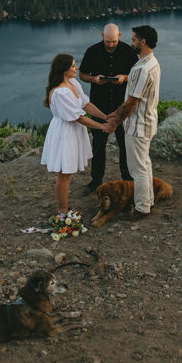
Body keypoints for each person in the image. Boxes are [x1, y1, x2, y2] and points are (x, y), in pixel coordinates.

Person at [41, 53, 109, 216]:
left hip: (72, 131)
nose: (76, 67)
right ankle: (62, 211)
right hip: (65, 132)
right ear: (64, 70)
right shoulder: (60, 92)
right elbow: (78, 117)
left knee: (67, 172)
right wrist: (102, 127)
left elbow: (85, 104)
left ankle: (64, 208)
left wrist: (105, 117)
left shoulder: (72, 82)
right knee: (64, 173)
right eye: (72, 66)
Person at [104, 25, 161, 220]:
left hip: (138, 126)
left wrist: (115, 121)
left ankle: (141, 208)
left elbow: (131, 103)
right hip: (148, 122)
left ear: (143, 41)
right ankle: (149, 200)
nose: (131, 42)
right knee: (144, 164)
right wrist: (116, 113)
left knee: (137, 169)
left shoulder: (142, 69)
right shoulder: (153, 63)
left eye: (134, 39)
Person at [78, 23, 139, 193]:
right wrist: (95, 79)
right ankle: (96, 181)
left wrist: (124, 78)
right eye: (107, 41)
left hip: (122, 107)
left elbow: (137, 76)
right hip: (99, 106)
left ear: (119, 35)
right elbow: (82, 74)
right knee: (98, 145)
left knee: (125, 144)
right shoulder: (92, 51)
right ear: (102, 36)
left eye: (113, 41)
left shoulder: (128, 52)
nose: (111, 45)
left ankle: (127, 179)